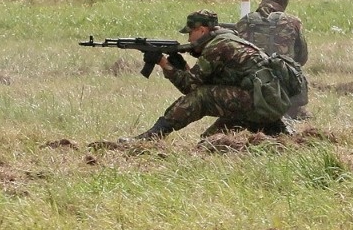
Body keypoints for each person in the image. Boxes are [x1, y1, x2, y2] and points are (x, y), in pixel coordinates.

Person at [124, 9, 304, 141]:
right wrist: (181, 66)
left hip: (258, 102)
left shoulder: (217, 46)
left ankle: (154, 134)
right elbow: (203, 80)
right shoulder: (227, 39)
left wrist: (163, 63)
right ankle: (276, 129)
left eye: (191, 32)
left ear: (202, 30)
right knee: (209, 141)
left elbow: (191, 87)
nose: (189, 39)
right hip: (264, 101)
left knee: (202, 97)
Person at [235, 0, 310, 119]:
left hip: (250, 83)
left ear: (262, 3)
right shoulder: (293, 22)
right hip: (283, 86)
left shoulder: (244, 21)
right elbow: (302, 57)